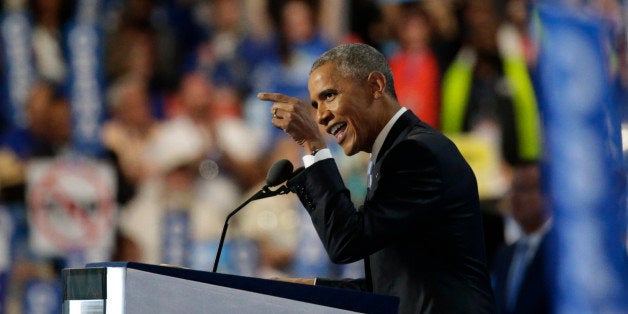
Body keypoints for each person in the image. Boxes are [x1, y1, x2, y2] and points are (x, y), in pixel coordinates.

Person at [258, 43, 495, 313]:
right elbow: (389, 287)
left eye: (330, 96)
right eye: (315, 104)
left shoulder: (415, 153)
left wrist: (313, 145)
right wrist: (305, 289)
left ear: (375, 86)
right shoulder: (393, 154)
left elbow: (346, 243)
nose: (321, 117)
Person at [492, 161, 552, 314]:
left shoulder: (562, 253)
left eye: (525, 189)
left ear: (549, 194)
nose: (516, 197)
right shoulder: (505, 254)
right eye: (513, 189)